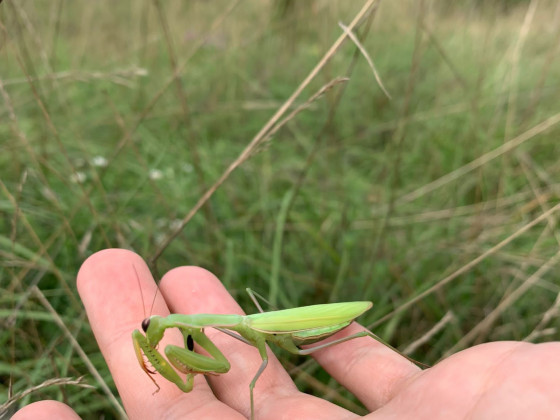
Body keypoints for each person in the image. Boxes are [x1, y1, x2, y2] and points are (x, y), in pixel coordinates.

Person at [13, 249, 560, 419]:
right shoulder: (203, 336)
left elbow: (226, 371)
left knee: (290, 352)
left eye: (154, 329)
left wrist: (173, 360)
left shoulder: (203, 336)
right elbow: (210, 360)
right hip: (265, 328)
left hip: (301, 326)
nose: (153, 335)